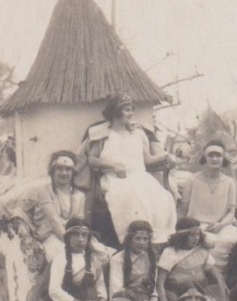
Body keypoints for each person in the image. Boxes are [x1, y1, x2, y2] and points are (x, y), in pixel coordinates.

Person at [75, 93, 177, 249]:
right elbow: (92, 159)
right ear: (116, 112)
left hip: (140, 177)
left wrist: (165, 156)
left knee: (164, 198)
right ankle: (131, 242)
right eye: (127, 110)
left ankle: (154, 243)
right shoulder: (102, 133)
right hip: (115, 178)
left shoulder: (138, 133)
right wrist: (112, 165)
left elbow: (148, 159)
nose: (131, 114)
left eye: (132, 110)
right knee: (130, 198)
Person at [16, 151, 86, 262]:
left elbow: (79, 223)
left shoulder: (79, 195)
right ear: (53, 171)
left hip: (72, 237)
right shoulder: (45, 191)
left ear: (73, 173)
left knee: (97, 254)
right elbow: (54, 221)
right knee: (61, 256)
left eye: (68, 169)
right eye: (60, 168)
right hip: (49, 236)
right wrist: (70, 244)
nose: (64, 173)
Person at [48, 218, 108, 301]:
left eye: (84, 235)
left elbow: (100, 284)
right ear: (68, 237)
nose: (80, 239)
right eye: (76, 235)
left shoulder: (93, 259)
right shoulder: (60, 259)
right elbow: (54, 289)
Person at [156, 217, 226, 301]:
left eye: (198, 234)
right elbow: (160, 283)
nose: (196, 238)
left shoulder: (202, 251)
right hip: (174, 296)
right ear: (182, 236)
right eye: (192, 235)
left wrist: (223, 299)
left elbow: (218, 278)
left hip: (198, 295)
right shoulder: (170, 252)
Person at [179, 140, 237, 246]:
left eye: (218, 155)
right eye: (211, 155)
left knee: (233, 240)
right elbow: (183, 210)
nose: (214, 159)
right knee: (208, 242)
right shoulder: (192, 180)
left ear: (223, 158)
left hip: (220, 227)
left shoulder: (229, 182)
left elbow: (231, 212)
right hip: (195, 228)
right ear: (205, 157)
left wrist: (220, 225)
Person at [107, 220, 158, 301]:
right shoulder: (118, 258)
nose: (141, 242)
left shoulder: (151, 258)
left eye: (145, 239)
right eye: (137, 238)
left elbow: (153, 290)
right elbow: (116, 289)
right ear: (130, 239)